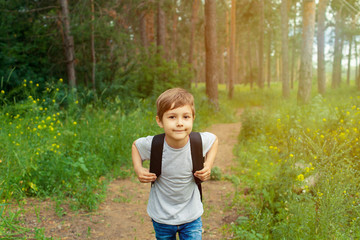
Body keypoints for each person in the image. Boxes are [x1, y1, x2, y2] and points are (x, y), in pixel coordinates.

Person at [132, 88, 218, 240]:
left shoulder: (198, 142)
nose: (179, 123)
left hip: (191, 216)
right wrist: (138, 169)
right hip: (162, 217)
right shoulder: (154, 144)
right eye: (172, 117)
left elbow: (214, 141)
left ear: (193, 118)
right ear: (160, 121)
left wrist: (208, 165)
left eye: (186, 117)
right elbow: (136, 146)